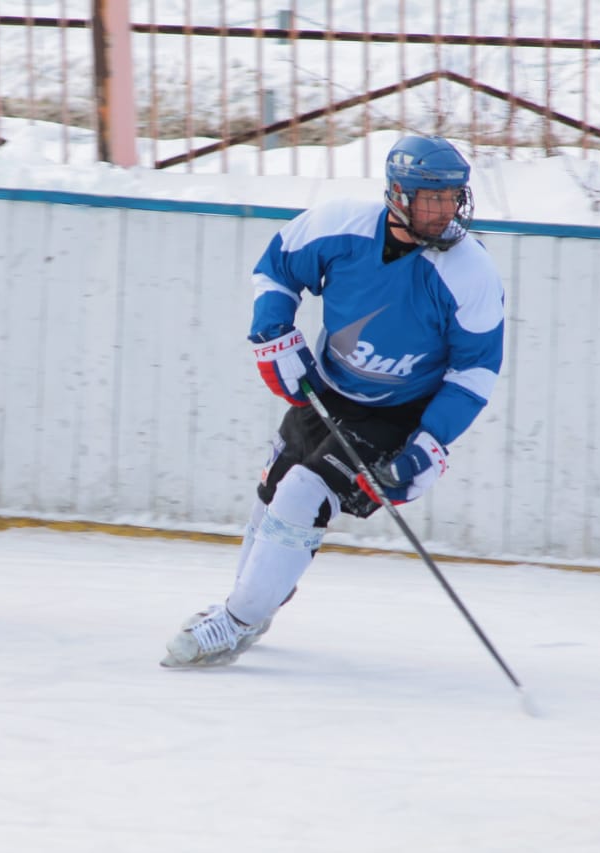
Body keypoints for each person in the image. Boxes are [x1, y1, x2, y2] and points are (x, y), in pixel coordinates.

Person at [161, 134, 505, 667]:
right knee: (273, 489)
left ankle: (235, 619)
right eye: (430, 198)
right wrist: (273, 331)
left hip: (398, 415)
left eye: (452, 197)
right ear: (396, 194)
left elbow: (475, 371)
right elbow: (277, 266)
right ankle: (252, 603)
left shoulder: (469, 271)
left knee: (303, 492)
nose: (444, 212)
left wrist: (428, 444)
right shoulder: (339, 225)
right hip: (326, 388)